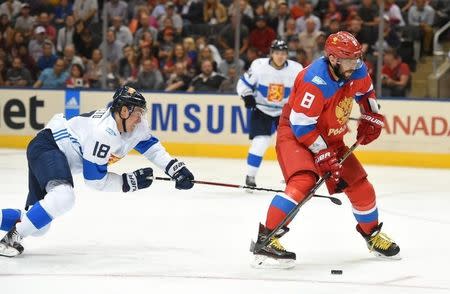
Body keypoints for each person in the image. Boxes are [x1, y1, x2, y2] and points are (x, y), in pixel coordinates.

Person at [250, 31, 400, 268]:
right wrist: (322, 152)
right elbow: (301, 124)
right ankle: (266, 239)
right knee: (303, 181)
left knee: (361, 186)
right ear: (333, 59)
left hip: (331, 137)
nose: (356, 63)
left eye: (357, 58)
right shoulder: (314, 81)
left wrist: (372, 115)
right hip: (297, 136)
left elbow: (367, 94)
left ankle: (372, 235)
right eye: (350, 59)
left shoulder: (357, 69)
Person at [0, 86, 195, 257]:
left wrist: (175, 168)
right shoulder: (102, 133)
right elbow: (94, 180)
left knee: (38, 226)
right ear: (124, 111)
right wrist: (130, 182)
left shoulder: (135, 125)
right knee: (63, 197)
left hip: (54, 156)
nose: (141, 118)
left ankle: (13, 225)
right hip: (48, 147)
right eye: (138, 112)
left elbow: (152, 148)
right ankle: (10, 239)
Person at [236, 39, 303, 190]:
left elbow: (304, 90)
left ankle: (290, 177)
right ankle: (250, 176)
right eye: (277, 53)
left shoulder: (297, 69)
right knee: (260, 142)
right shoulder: (259, 66)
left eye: (283, 53)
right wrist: (247, 96)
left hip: (284, 113)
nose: (280, 56)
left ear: (287, 55)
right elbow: (243, 84)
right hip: (262, 111)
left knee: (289, 145)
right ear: (271, 53)